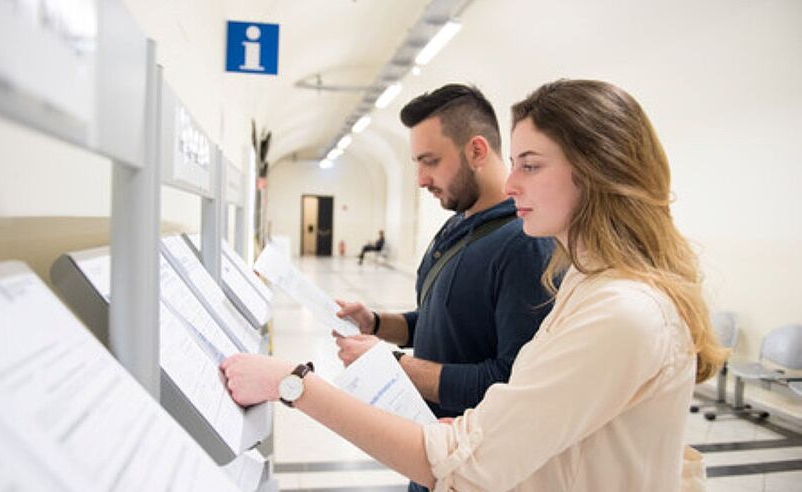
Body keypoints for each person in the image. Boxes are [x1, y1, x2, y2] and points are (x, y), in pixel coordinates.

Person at [221, 79, 727, 491]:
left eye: (530, 165)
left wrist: (294, 382)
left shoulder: (621, 311)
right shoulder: (586, 282)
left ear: (596, 172)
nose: (511, 184)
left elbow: (464, 467)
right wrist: (474, 429)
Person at [338, 84, 555, 448]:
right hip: (432, 443)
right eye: (418, 163)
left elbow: (511, 381)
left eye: (431, 161)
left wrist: (393, 365)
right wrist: (376, 323)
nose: (422, 179)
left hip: (473, 457)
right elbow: (448, 322)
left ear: (476, 151)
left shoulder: (524, 244)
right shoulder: (458, 222)